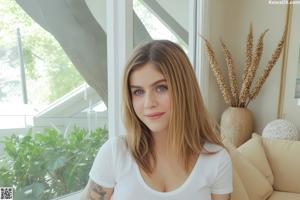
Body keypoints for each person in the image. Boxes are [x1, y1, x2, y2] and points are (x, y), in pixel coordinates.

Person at [80, 40, 233, 200]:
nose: (149, 103)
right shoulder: (115, 153)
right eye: (138, 92)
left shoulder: (217, 160)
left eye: (161, 88)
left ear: (185, 90)